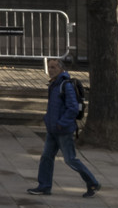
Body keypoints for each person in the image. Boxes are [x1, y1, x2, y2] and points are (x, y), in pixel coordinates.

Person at [27, 58, 100, 198]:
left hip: (63, 130)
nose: (51, 70)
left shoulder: (65, 85)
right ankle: (44, 186)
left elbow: (72, 108)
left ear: (61, 69)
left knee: (70, 159)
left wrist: (62, 123)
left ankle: (92, 183)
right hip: (53, 129)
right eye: (49, 67)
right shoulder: (54, 84)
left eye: (54, 67)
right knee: (46, 157)